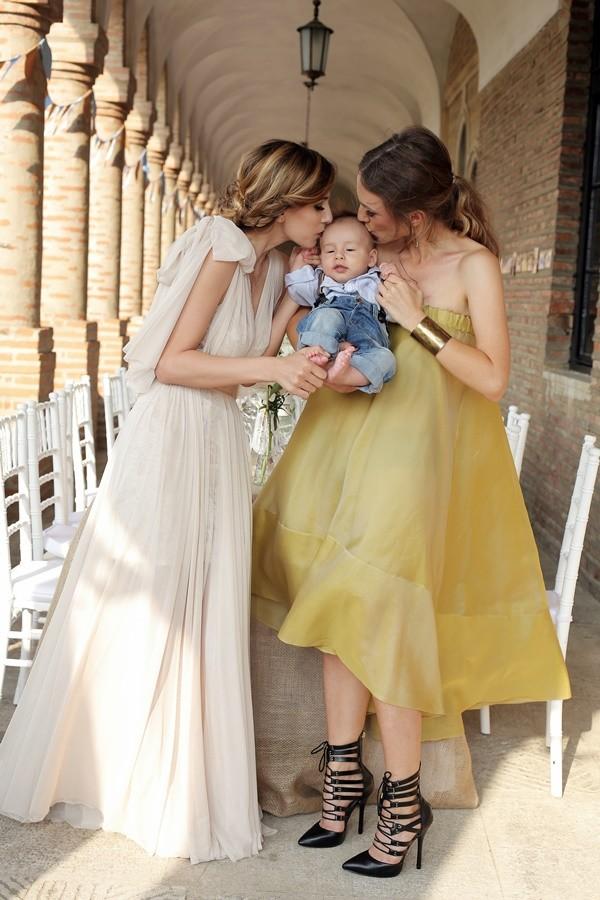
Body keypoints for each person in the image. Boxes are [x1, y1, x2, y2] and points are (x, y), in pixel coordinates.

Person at [0, 139, 333, 864]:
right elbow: (173, 362)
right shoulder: (220, 244)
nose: (326, 215)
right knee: (153, 596)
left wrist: (291, 299)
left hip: (215, 436)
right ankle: (112, 768)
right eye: (318, 203)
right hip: (173, 435)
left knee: (201, 598)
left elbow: (239, 370)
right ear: (285, 200)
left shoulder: (268, 265)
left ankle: (174, 769)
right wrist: (275, 365)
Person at [251, 126, 570, 879]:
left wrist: (418, 318)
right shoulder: (373, 253)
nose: (358, 218)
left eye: (371, 208)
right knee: (335, 615)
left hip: (415, 468)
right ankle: (342, 781)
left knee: (382, 621)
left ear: (415, 213)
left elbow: (492, 378)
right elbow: (319, 315)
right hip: (343, 451)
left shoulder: (472, 264)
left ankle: (403, 801)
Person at [285, 215, 397, 393]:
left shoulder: (376, 282)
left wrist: (393, 278)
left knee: (386, 358)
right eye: (330, 251)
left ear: (371, 258)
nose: (339, 256)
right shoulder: (321, 280)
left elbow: (396, 312)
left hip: (364, 346)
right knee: (327, 315)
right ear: (321, 257)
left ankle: (346, 375)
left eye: (350, 250)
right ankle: (318, 354)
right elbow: (296, 289)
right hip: (326, 343)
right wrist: (300, 264)